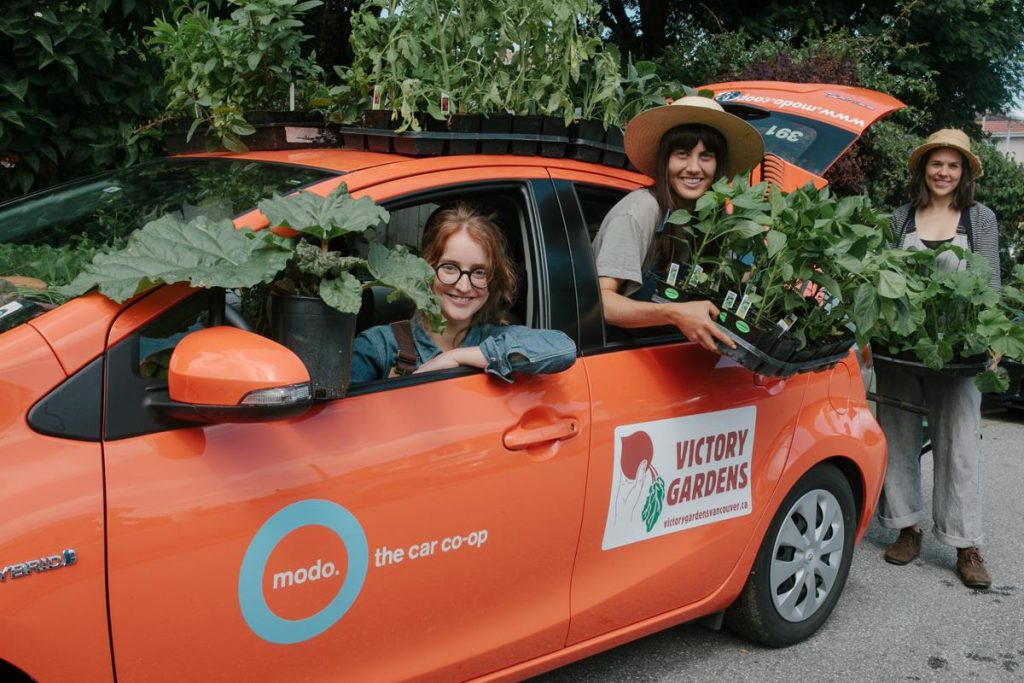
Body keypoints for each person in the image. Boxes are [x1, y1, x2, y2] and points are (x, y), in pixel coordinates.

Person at [876, 129, 1000, 589]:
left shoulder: (979, 219)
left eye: (953, 165)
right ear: (923, 169)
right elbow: (883, 279)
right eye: (936, 164)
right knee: (897, 433)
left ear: (964, 172)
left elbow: (989, 283)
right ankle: (907, 527)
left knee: (960, 443)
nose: (943, 172)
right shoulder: (900, 218)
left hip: (958, 349)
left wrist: (994, 340)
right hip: (901, 348)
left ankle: (965, 543)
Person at [591, 95, 765, 350]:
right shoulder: (641, 210)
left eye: (705, 156)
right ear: (666, 160)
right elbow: (603, 303)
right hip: (621, 358)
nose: (694, 168)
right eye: (682, 154)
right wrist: (675, 313)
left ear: (718, 165)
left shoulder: (715, 223)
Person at [350, 202, 577, 382]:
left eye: (479, 272)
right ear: (425, 268)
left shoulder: (495, 337)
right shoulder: (379, 346)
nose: (464, 286)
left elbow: (563, 348)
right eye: (450, 267)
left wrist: (455, 357)